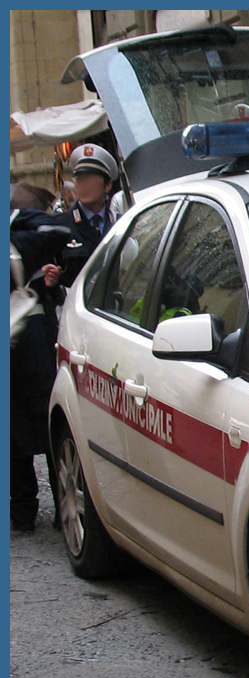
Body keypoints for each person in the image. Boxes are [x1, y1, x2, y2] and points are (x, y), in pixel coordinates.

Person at [9, 209, 70, 533]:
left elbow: (57, 232)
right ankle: (34, 509)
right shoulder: (18, 236)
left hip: (31, 340)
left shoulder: (17, 230)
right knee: (26, 427)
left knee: (38, 421)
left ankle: (35, 509)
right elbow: (56, 233)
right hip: (27, 339)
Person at [49, 143, 119, 289]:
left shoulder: (121, 223)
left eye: (91, 180)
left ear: (107, 186)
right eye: (80, 179)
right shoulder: (59, 225)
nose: (84, 185)